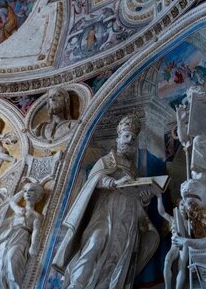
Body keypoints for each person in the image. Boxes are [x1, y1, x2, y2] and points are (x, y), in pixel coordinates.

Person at [52, 115, 161, 289]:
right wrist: (114, 182)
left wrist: (145, 199)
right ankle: (77, 284)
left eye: (133, 139)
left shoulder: (134, 169)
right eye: (126, 136)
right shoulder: (106, 161)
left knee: (117, 256)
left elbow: (134, 194)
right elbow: (94, 180)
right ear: (118, 139)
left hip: (127, 218)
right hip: (105, 212)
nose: (130, 141)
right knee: (94, 243)